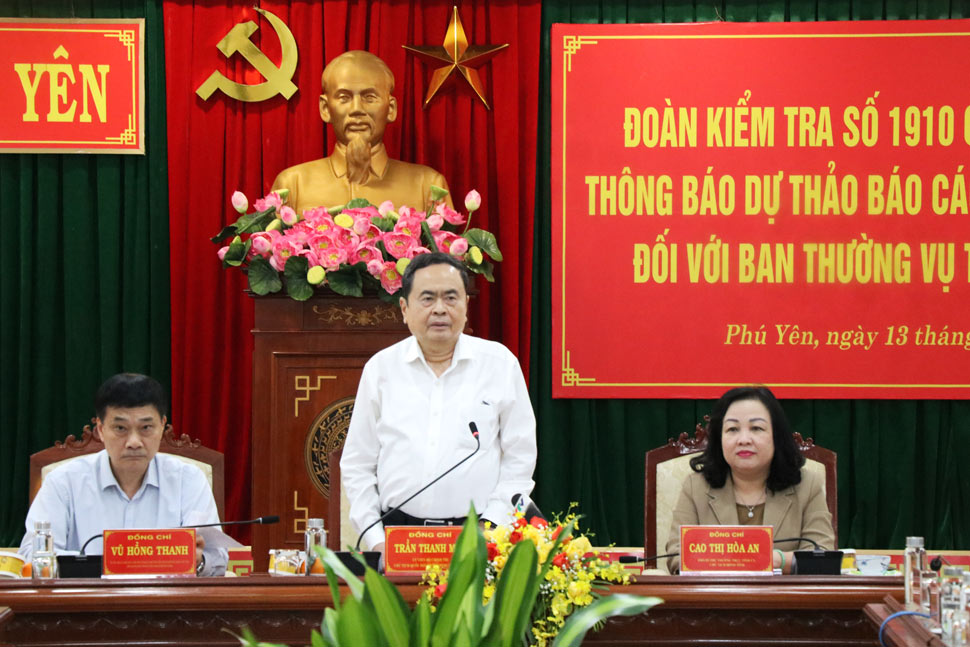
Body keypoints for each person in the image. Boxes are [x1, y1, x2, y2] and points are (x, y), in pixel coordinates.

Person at [340, 252, 536, 553]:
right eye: (427, 298)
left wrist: (492, 528)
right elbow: (357, 465)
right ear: (404, 308)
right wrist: (376, 540)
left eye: (451, 298)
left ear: (466, 306)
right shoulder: (381, 369)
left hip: (478, 538)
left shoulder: (500, 365)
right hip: (398, 539)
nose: (440, 310)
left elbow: (520, 460)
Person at [20, 373, 226, 576]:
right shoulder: (63, 482)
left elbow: (217, 559)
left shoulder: (188, 480)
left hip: (166, 604)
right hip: (86, 604)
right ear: (100, 429)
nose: (134, 442)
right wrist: (112, 565)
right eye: (120, 428)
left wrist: (198, 562)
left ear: (162, 426)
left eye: (146, 427)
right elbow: (33, 555)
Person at [665, 386, 835, 574]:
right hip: (716, 600)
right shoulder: (696, 487)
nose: (744, 439)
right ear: (719, 438)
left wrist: (775, 559)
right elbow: (676, 558)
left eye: (756, 428)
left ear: (776, 436)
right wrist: (749, 559)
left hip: (785, 600)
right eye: (732, 429)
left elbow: (823, 557)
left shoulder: (806, 485)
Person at [271, 50, 452, 214]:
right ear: (325, 108)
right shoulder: (293, 185)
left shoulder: (428, 186)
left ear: (391, 109)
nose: (357, 109)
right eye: (344, 97)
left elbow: (444, 249)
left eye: (369, 97)